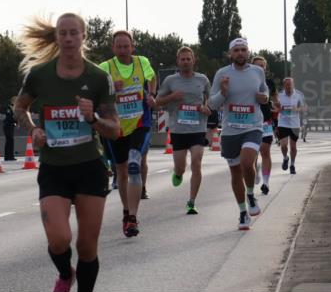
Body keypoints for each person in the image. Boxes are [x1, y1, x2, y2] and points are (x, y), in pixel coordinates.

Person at [13, 13, 119, 292]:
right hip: (54, 168)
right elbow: (20, 107)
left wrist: (93, 119)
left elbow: (114, 129)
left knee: (86, 246)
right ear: (57, 37)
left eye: (74, 32)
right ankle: (64, 274)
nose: (69, 38)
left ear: (84, 36)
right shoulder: (39, 75)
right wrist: (33, 130)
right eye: (64, 33)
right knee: (59, 239)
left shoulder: (99, 78)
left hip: (89, 167)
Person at [98, 30, 156, 237]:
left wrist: (151, 95)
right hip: (116, 127)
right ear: (113, 48)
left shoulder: (142, 62)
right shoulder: (105, 68)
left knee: (133, 164)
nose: (123, 50)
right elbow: (96, 94)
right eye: (119, 46)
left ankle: (133, 216)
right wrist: (111, 88)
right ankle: (125, 211)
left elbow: (152, 77)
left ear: (132, 46)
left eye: (126, 46)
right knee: (121, 170)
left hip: (140, 122)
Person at [207, 38, 269, 230]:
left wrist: (264, 97)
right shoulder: (222, 74)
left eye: (243, 49)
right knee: (235, 172)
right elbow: (212, 104)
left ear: (248, 52)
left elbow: (264, 92)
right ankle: (243, 212)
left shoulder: (257, 71)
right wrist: (223, 93)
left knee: (247, 162)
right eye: (236, 50)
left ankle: (250, 195)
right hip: (230, 130)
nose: (240, 53)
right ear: (230, 54)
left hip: (253, 127)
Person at [154, 47, 211, 214]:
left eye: (188, 59)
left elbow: (211, 99)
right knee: (180, 167)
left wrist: (207, 108)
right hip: (178, 129)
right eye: (182, 59)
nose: (186, 62)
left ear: (193, 60)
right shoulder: (170, 81)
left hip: (197, 128)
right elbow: (157, 101)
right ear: (178, 61)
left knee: (196, 162)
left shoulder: (202, 79)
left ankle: (192, 202)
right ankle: (178, 173)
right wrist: (172, 97)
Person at [251, 56, 277, 194]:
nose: (260, 68)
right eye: (257, 65)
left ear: (265, 68)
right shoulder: (247, 81)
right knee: (253, 152)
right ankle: (254, 170)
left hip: (265, 121)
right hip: (250, 121)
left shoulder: (269, 83)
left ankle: (266, 183)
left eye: (262, 66)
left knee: (265, 151)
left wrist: (276, 105)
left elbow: (275, 97)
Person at [276, 77, 307, 174]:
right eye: (287, 85)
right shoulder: (279, 95)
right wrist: (278, 109)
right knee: (284, 146)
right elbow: (274, 106)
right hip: (283, 123)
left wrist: (297, 109)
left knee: (293, 147)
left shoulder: (299, 95)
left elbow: (304, 107)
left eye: (290, 85)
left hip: (295, 124)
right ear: (284, 86)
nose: (289, 87)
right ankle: (285, 158)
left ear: (293, 85)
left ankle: (292, 165)